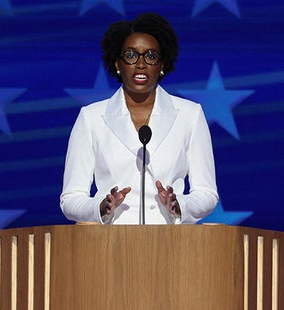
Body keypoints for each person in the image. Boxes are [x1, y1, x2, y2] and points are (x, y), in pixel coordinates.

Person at [60, 12, 219, 225]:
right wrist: (101, 206)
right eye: (131, 55)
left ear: (162, 65)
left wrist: (179, 204)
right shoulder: (91, 118)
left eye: (151, 56)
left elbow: (207, 194)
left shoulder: (190, 115)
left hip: (173, 244)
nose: (141, 64)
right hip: (109, 246)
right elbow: (70, 199)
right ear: (118, 63)